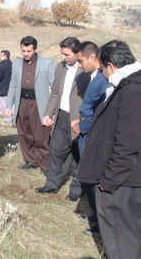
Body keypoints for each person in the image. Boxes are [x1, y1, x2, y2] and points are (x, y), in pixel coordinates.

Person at [78, 40, 141, 259]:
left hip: (122, 182)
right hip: (124, 178)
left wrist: (108, 181)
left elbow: (128, 144)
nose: (103, 74)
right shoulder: (129, 85)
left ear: (111, 66)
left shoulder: (133, 91)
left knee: (120, 238)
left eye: (102, 69)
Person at [35, 37, 90, 201]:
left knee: (78, 156)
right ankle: (51, 184)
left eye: (66, 54)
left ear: (76, 53)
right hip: (61, 116)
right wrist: (48, 113)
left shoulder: (86, 71)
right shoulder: (60, 67)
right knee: (56, 151)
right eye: (62, 54)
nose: (63, 57)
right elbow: (55, 93)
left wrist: (84, 120)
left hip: (78, 119)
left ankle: (76, 189)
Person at [70, 41, 108, 236]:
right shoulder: (94, 76)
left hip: (92, 134)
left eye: (81, 60)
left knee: (93, 178)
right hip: (86, 130)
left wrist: (81, 125)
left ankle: (102, 225)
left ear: (93, 58)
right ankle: (96, 216)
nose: (79, 65)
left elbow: (101, 113)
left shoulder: (103, 79)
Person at [5, 36, 55, 173]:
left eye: (28, 51)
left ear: (35, 49)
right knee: (24, 133)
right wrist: (9, 105)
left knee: (41, 134)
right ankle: (30, 160)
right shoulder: (16, 64)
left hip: (39, 103)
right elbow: (12, 86)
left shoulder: (47, 63)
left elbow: (54, 86)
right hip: (22, 102)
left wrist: (52, 109)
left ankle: (44, 163)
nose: (25, 54)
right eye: (23, 51)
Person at [0, 50, 12, 121]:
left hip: (3, 88)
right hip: (12, 88)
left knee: (4, 104)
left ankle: (8, 118)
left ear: (5, 56)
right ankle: (12, 118)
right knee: (11, 104)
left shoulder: (2, 65)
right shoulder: (13, 64)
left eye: (1, 55)